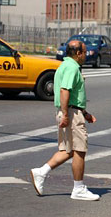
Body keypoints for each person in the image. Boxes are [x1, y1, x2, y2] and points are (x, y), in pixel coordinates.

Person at [30, 41, 100, 201]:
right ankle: (78, 188)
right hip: (71, 113)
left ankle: (41, 172)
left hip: (72, 111)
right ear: (78, 53)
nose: (86, 54)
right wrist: (66, 114)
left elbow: (73, 94)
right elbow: (64, 90)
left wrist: (85, 113)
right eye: (84, 51)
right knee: (80, 150)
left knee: (68, 151)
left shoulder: (64, 65)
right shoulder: (72, 67)